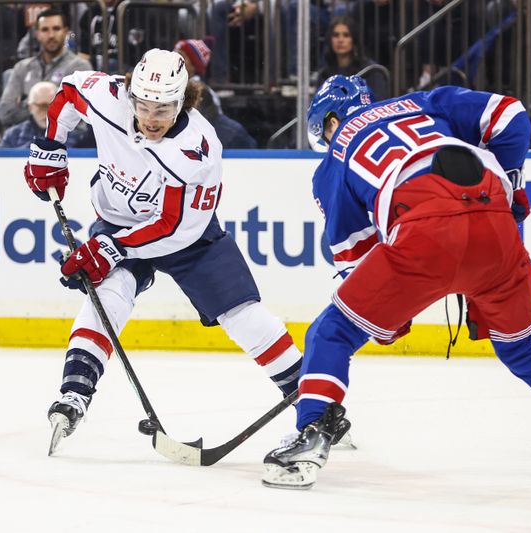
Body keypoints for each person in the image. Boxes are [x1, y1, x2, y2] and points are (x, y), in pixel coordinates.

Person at [261, 75, 531, 489]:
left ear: (329, 122)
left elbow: (353, 253)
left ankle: (312, 431)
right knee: (523, 344)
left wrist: (385, 318)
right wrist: (511, 190)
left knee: (332, 331)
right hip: (495, 218)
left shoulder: (333, 160)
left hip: (424, 231)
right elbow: (510, 115)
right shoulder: (423, 102)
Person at [23, 49, 344, 451]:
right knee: (107, 295)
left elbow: (173, 227)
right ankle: (74, 394)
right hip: (119, 220)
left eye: (165, 108)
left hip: (185, 236)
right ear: (130, 94)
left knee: (241, 312)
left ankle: (315, 403)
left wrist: (110, 248)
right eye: (144, 106)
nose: (152, 118)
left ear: (183, 101)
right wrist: (49, 149)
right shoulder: (107, 97)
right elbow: (69, 92)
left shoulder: (197, 148)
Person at [0, 8, 91, 131]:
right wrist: (50, 107)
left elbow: (78, 115)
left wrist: (27, 104)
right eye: (45, 30)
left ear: (65, 32)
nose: (51, 35)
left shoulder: (80, 68)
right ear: (37, 34)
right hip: (24, 138)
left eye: (56, 29)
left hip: (66, 139)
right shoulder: (22, 68)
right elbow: (5, 113)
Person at [174, 38, 257, 149]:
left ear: (193, 65)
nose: (175, 60)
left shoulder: (199, 90)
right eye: (174, 55)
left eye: (181, 57)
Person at [316, 16, 388, 100]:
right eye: (336, 35)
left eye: (346, 35)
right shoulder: (324, 74)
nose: (340, 40)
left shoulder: (371, 71)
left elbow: (379, 102)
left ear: (354, 40)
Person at [0, 81, 88, 148]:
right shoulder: (13, 135)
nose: (47, 112)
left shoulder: (78, 135)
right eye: (42, 106)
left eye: (53, 106)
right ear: (30, 107)